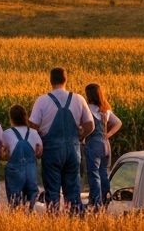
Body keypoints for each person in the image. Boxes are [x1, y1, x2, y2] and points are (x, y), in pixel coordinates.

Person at [28, 67, 94, 213]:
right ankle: (75, 220)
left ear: (51, 80)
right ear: (66, 79)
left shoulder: (42, 100)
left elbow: (32, 126)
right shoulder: (78, 99)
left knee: (52, 191)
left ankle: (55, 221)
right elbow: (90, 125)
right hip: (73, 150)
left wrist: (38, 141)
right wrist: (80, 136)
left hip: (51, 151)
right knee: (73, 191)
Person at [83, 83, 122, 210]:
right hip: (105, 145)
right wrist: (108, 134)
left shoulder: (87, 109)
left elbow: (84, 126)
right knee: (104, 173)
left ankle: (95, 202)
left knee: (93, 174)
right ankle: (105, 200)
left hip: (93, 144)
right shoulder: (105, 111)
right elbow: (118, 123)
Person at [0, 104, 43, 209]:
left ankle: (17, 217)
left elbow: (2, 154)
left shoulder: (6, 133)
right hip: (30, 171)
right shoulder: (34, 133)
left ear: (11, 118)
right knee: (32, 200)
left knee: (14, 201)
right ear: (25, 116)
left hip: (14, 171)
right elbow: (39, 153)